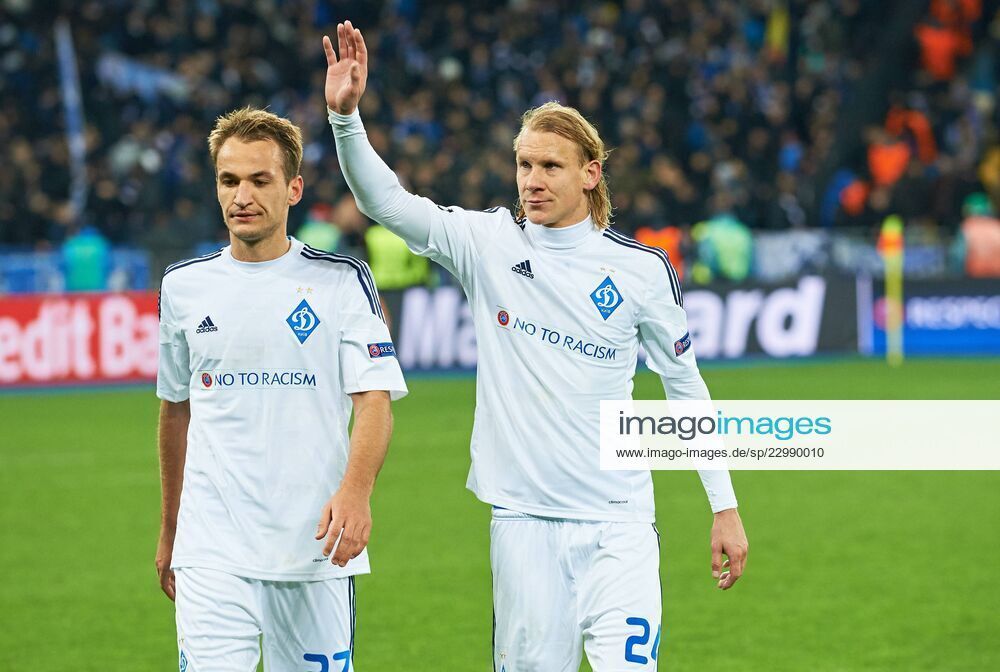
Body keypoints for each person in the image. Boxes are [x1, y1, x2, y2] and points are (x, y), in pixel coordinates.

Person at [324, 21, 749, 671]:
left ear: (590, 173)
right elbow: (385, 202)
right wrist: (345, 118)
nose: (533, 179)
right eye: (524, 165)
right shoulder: (488, 245)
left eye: (550, 166)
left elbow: (685, 388)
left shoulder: (640, 270)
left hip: (619, 526)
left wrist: (724, 506)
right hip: (523, 526)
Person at [155, 107, 407, 671]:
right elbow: (175, 411)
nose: (242, 196)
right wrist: (171, 530)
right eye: (229, 180)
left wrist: (357, 493)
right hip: (211, 548)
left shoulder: (342, 281)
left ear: (293, 188)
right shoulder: (183, 286)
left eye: (259, 180)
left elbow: (374, 400)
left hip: (314, 545)